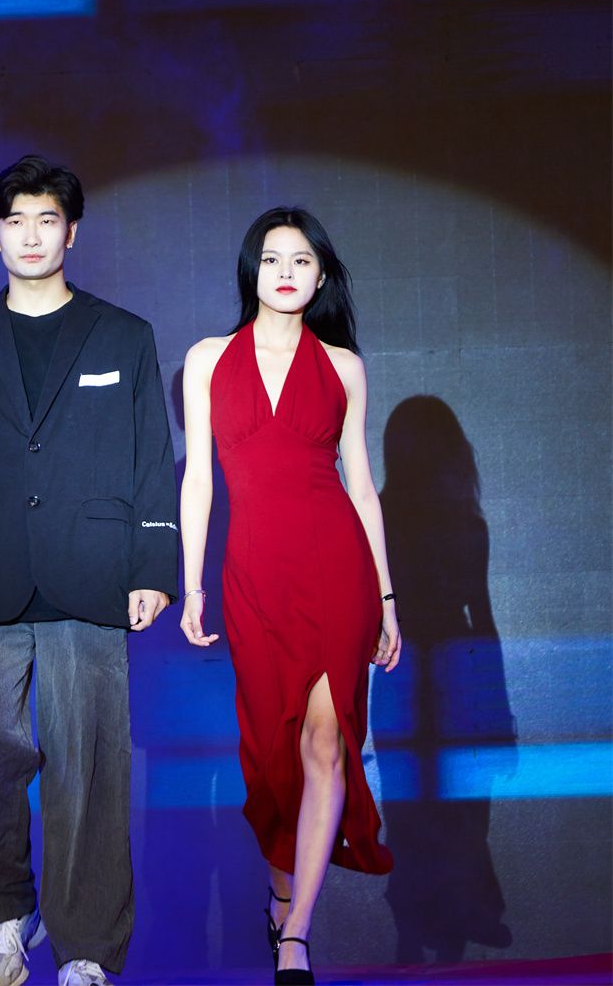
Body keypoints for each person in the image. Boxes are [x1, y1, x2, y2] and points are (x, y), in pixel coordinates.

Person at [0, 155, 178, 986]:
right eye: (16, 220)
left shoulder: (122, 334)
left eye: (47, 219)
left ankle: (84, 946)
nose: (31, 234)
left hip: (91, 569)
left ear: (72, 231)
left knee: (89, 763)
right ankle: (3, 915)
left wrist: (154, 563)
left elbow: (151, 460)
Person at [179, 207, 401, 986]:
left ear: (320, 275)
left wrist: (387, 597)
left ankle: (296, 933)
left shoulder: (343, 367)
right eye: (272, 258)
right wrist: (191, 582)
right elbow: (198, 479)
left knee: (325, 742)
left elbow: (362, 487)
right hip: (254, 574)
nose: (285, 271)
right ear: (253, 269)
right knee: (272, 761)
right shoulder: (209, 358)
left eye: (301, 260)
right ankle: (282, 897)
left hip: (337, 567)